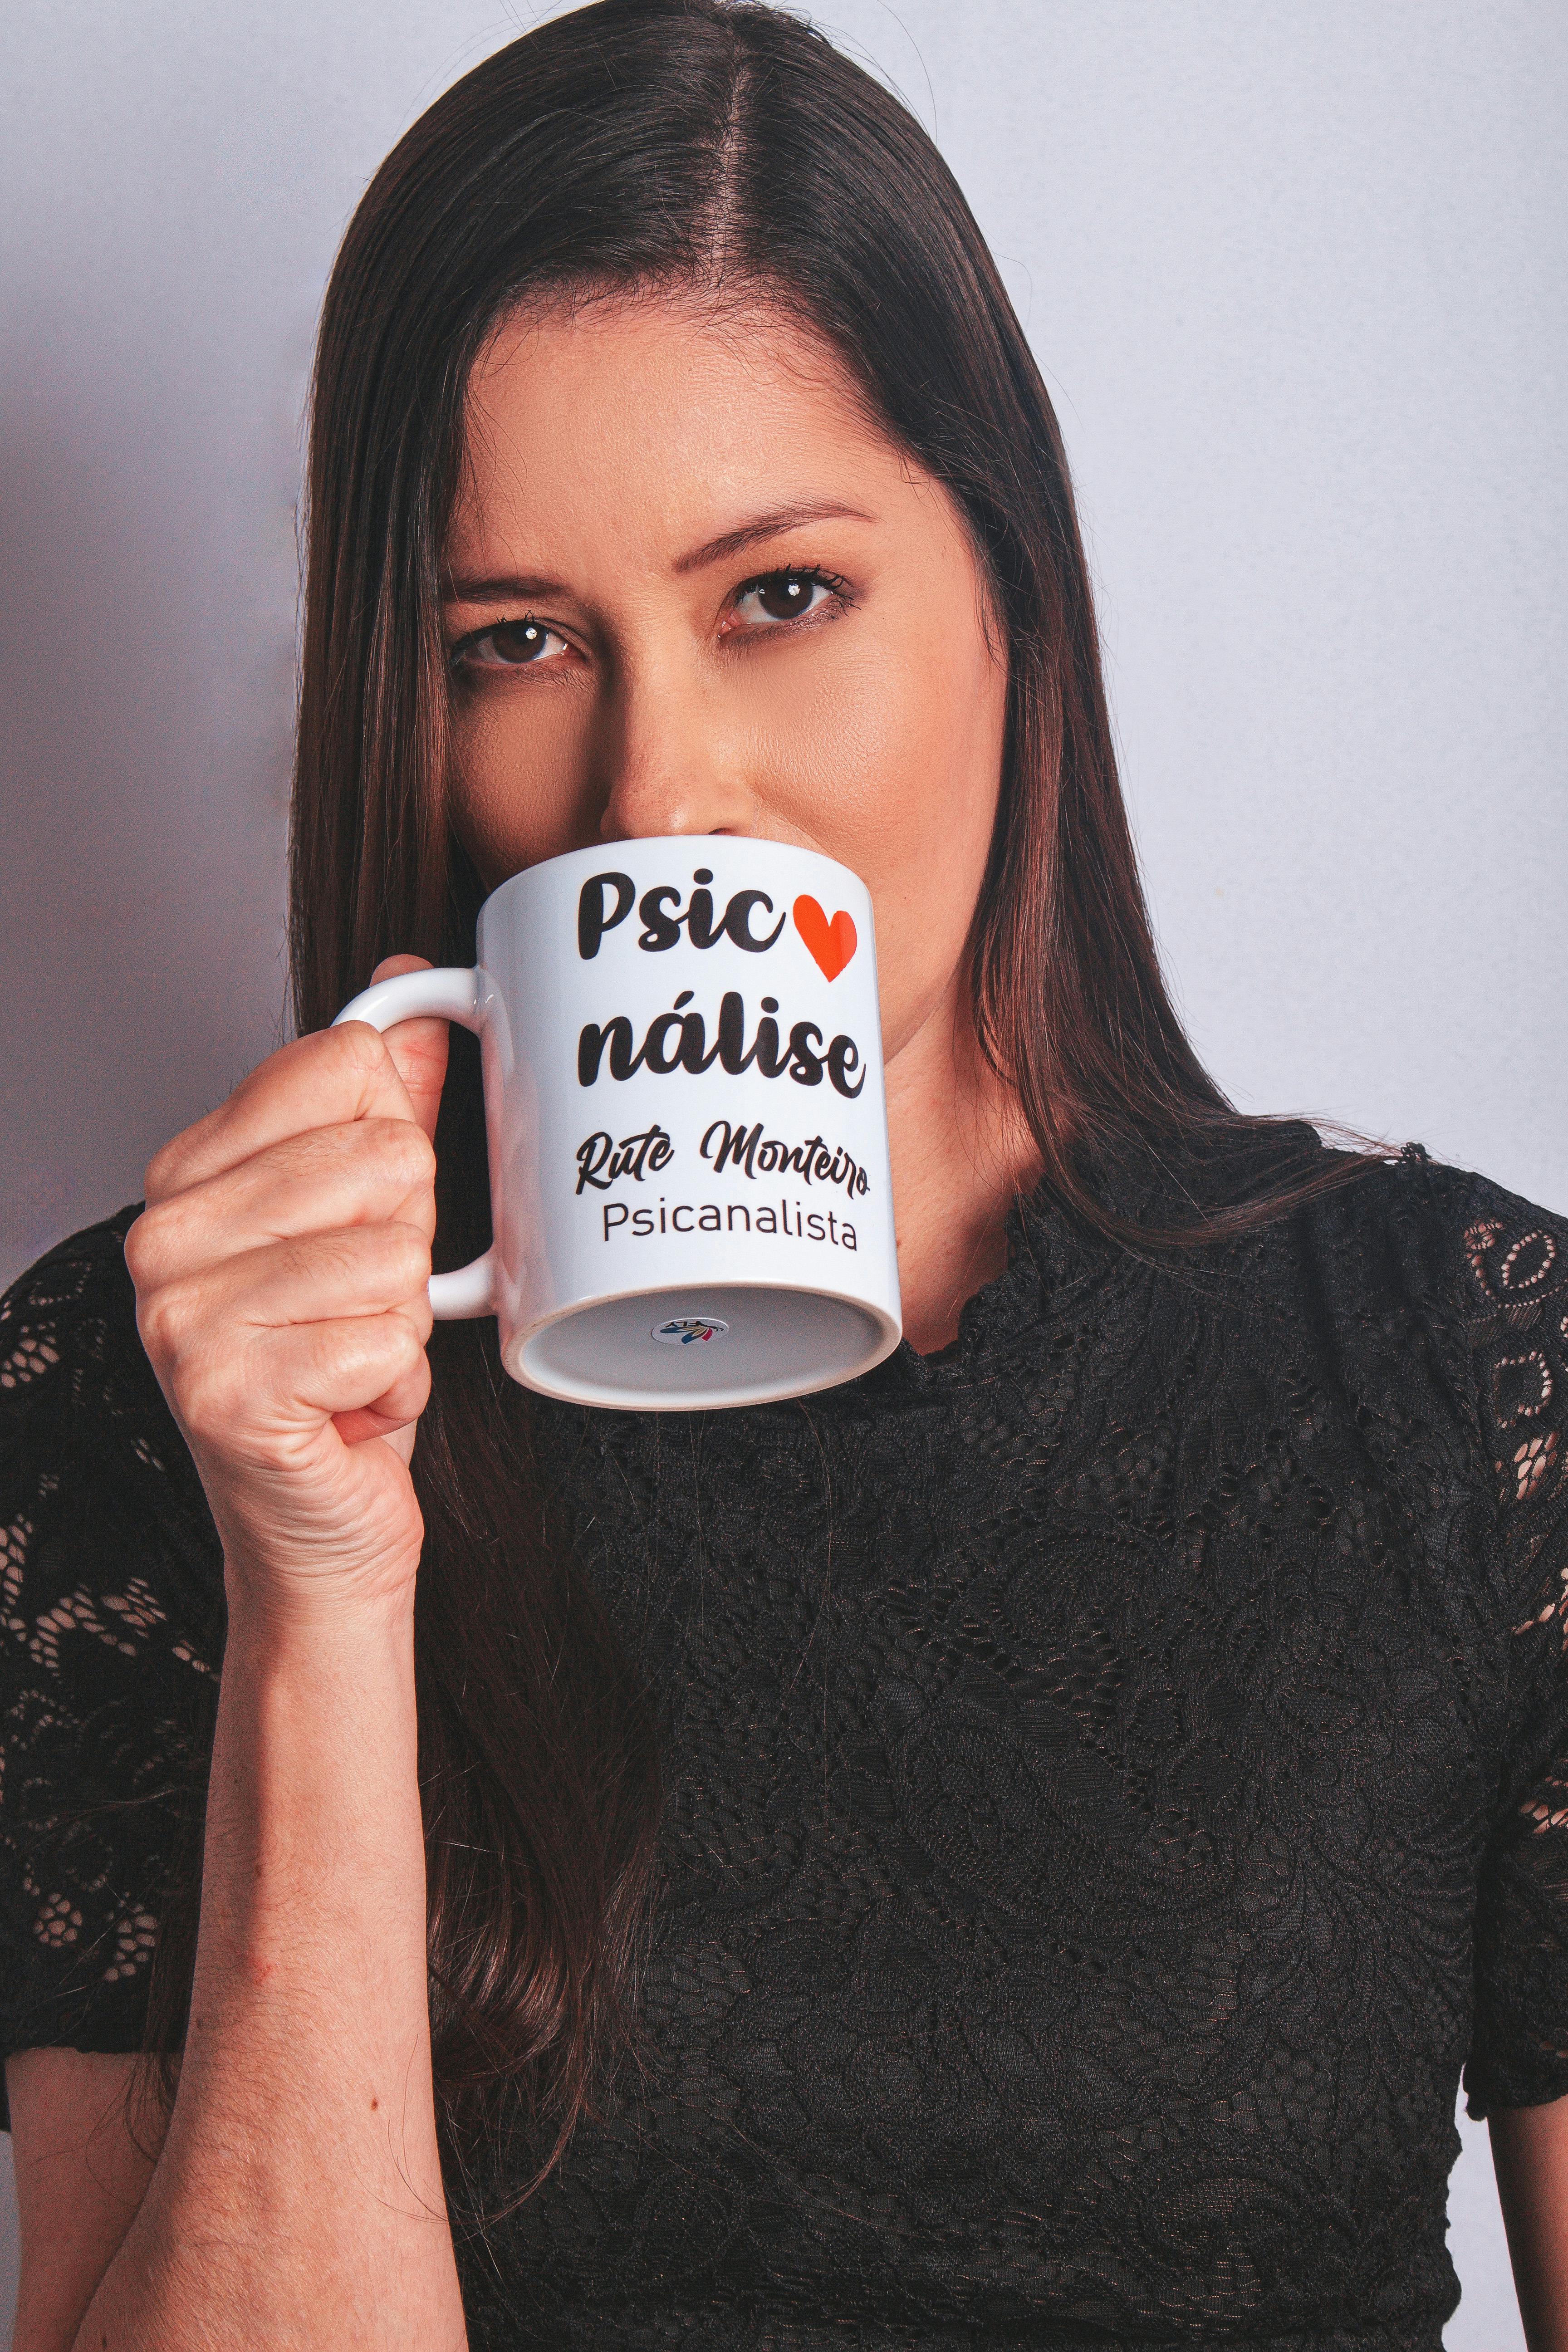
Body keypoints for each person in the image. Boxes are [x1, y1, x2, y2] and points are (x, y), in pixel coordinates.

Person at [3, 1, 1565, 2344]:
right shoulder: (158, 1395)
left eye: (780, 597)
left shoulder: (1473, 1389)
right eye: (521, 642)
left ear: (1014, 596)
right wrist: (316, 1590)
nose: (659, 796)